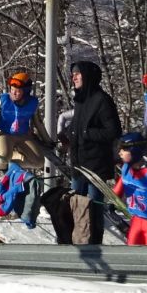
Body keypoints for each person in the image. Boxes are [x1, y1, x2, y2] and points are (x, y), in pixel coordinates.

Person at [54, 58, 121, 245]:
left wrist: (85, 133)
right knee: (74, 205)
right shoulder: (81, 100)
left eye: (77, 73)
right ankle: (75, 240)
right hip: (78, 164)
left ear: (88, 76)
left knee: (93, 208)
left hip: (95, 167)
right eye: (72, 73)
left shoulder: (102, 101)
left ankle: (94, 243)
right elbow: (78, 126)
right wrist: (69, 135)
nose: (73, 77)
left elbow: (113, 131)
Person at [0, 69, 45, 188]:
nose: (14, 93)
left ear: (26, 92)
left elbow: (38, 122)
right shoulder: (3, 100)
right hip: (4, 132)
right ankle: (1, 171)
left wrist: (47, 140)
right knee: (2, 156)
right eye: (12, 90)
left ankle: (12, 164)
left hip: (23, 134)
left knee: (39, 161)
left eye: (18, 91)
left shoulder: (33, 103)